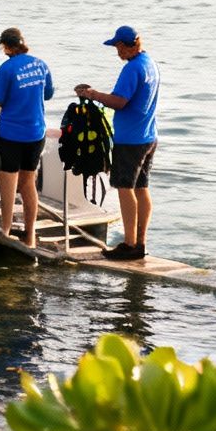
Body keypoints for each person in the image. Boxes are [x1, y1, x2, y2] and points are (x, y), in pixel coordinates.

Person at [76, 25, 160, 261]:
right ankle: (141, 242)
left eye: (117, 47)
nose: (116, 52)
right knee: (142, 188)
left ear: (125, 46)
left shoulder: (132, 69)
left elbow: (119, 102)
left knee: (125, 189)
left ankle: (129, 243)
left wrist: (92, 94)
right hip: (149, 135)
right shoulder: (150, 64)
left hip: (130, 139)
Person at [0, 27, 54, 247]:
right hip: (36, 133)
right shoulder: (41, 65)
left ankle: (5, 230)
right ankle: (30, 236)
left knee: (8, 184)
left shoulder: (6, 69)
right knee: (29, 183)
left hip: (12, 135)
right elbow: (47, 94)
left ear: (7, 47)